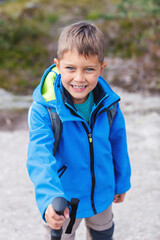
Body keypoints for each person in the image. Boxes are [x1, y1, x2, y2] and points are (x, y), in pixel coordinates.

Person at [27, 21, 131, 240]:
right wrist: (49, 198)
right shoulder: (44, 110)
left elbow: (118, 142)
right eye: (70, 68)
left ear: (101, 68)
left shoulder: (109, 103)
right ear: (57, 65)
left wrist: (121, 180)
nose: (79, 78)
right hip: (65, 198)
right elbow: (39, 157)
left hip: (101, 192)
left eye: (89, 69)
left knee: (103, 233)